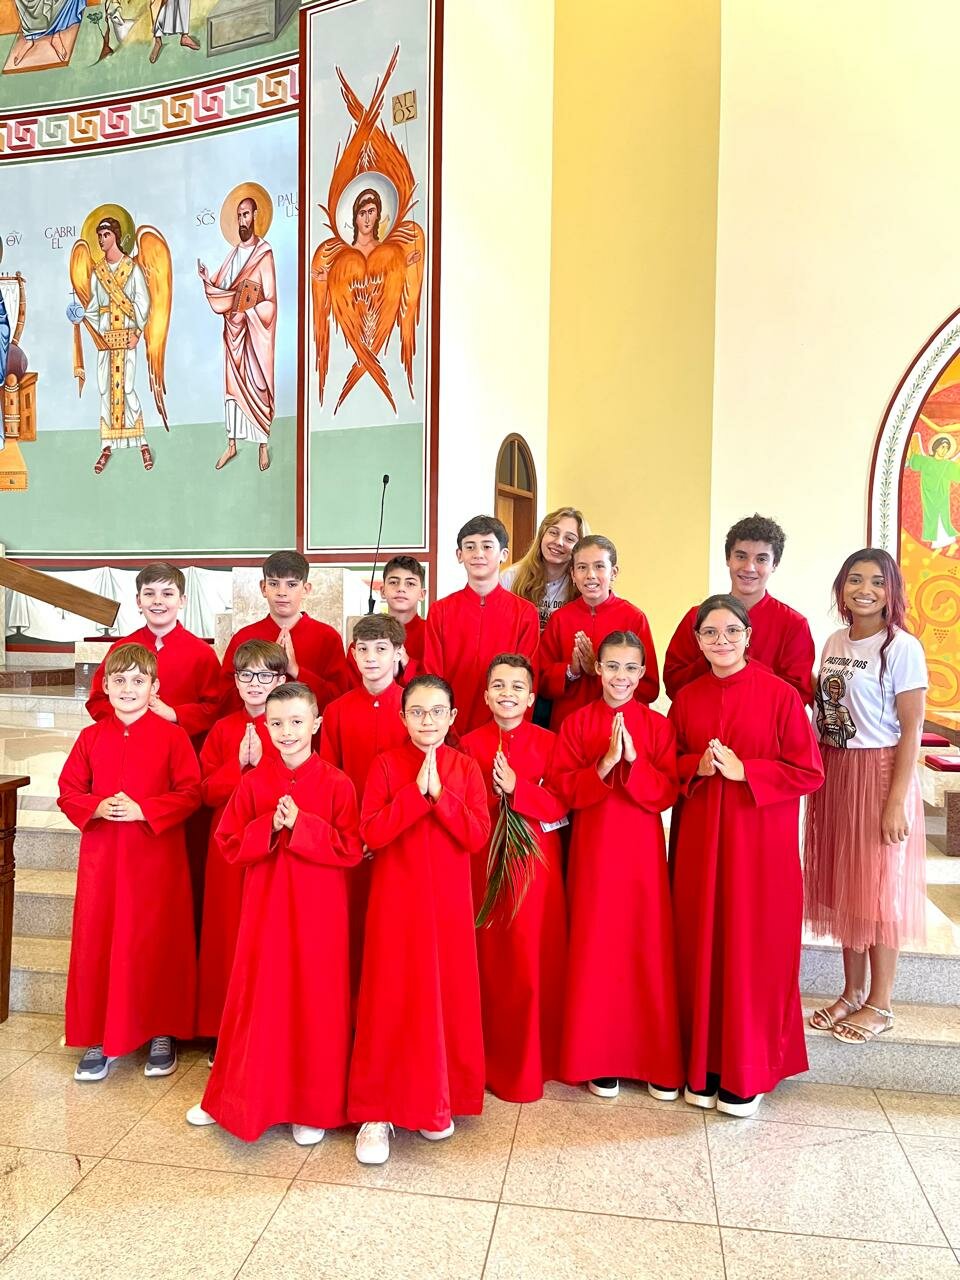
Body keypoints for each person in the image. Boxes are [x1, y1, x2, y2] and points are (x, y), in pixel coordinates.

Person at [186, 683, 361, 1144]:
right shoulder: (253, 783)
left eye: (297, 722)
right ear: (265, 726)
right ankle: (240, 1097)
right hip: (265, 910)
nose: (287, 732)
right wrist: (270, 825)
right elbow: (228, 843)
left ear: (316, 724)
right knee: (258, 999)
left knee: (314, 1002)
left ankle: (311, 1106)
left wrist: (303, 825)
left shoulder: (338, 783)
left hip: (319, 913)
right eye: (277, 723)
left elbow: (351, 848)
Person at [670, 595, 823, 1118]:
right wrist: (696, 766)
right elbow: (668, 765)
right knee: (702, 944)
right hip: (700, 845)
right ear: (698, 642)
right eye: (710, 633)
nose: (722, 641)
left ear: (748, 637)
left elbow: (809, 772)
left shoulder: (781, 696)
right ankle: (705, 1063)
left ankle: (748, 1067)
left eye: (731, 631)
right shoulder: (687, 699)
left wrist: (746, 771)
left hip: (759, 848)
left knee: (752, 949)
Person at [348, 675, 490, 1165]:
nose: (427, 720)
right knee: (391, 996)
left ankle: (438, 1098)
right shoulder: (385, 764)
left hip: (448, 903)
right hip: (396, 901)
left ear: (452, 718)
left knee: (445, 995)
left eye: (436, 712)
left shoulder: (465, 768)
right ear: (402, 716)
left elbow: (477, 835)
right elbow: (371, 832)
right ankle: (376, 1112)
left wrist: (441, 797)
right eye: (417, 712)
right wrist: (415, 796)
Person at [58, 643, 201, 1082]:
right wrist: (97, 806)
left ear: (155, 688)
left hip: (155, 860)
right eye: (119, 680)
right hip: (103, 861)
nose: (128, 688)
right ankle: (99, 1034)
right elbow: (69, 789)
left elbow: (191, 792)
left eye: (139, 681)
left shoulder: (173, 737)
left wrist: (146, 810)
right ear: (105, 685)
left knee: (156, 941)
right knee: (100, 940)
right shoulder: (90, 737)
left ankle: (162, 1031)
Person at [550, 631, 682, 1100]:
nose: (620, 677)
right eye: (611, 666)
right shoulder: (576, 723)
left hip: (642, 852)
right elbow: (563, 790)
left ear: (642, 673)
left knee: (645, 945)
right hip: (593, 849)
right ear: (597, 669)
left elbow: (666, 792)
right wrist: (604, 765)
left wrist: (634, 762)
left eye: (630, 668)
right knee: (597, 946)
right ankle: (599, 1057)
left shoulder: (658, 726)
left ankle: (653, 1057)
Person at [803, 549, 927, 1045]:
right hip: (835, 769)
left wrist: (896, 800)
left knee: (877, 892)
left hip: (878, 772)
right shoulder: (835, 640)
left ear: (891, 590)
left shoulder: (902, 648)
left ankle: (881, 1002)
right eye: (855, 580)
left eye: (877, 581)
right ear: (842, 588)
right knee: (846, 888)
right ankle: (852, 992)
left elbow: (912, 729)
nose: (865, 590)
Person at [461, 655, 568, 1103]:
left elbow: (561, 804)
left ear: (530, 698)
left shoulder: (550, 742)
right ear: (486, 696)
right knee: (487, 960)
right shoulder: (468, 743)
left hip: (535, 866)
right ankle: (482, 1060)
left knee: (528, 960)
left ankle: (529, 1064)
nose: (508, 694)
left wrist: (518, 790)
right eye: (499, 686)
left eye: (517, 687)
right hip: (483, 862)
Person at [195, 639, 285, 1055]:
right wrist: (239, 765)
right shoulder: (223, 729)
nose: (255, 683)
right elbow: (205, 791)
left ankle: (265, 1026)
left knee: (268, 933)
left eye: (265, 675)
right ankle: (221, 1030)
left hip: (272, 840)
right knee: (226, 931)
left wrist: (262, 765)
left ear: (280, 680)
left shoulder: (289, 725)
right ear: (235, 680)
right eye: (246, 674)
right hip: (227, 843)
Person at [320, 616, 410, 994]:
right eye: (363, 649)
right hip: (351, 839)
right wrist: (354, 833)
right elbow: (329, 778)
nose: (371, 658)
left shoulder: (414, 707)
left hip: (401, 837)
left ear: (399, 654)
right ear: (352, 654)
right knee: (350, 926)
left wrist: (388, 829)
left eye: (381, 649)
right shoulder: (337, 711)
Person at [663, 514, 815, 704]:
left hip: (765, 721)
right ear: (728, 558)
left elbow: (797, 695)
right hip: (704, 714)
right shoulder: (697, 617)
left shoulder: (794, 624)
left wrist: (742, 665)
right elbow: (673, 683)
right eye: (741, 556)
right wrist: (715, 656)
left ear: (774, 564)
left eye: (761, 559)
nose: (749, 567)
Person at [424, 516, 539, 736]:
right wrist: (442, 727)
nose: (478, 554)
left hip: (504, 729)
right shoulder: (440, 610)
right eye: (470, 547)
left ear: (503, 554)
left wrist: (514, 731)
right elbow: (432, 674)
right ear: (459, 555)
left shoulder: (524, 613)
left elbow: (527, 680)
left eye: (487, 546)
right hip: (449, 728)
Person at [85, 562, 221, 748]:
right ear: (138, 600)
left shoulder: (202, 653)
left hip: (183, 750)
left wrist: (174, 713)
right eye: (149, 594)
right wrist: (131, 718)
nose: (158, 601)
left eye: (167, 594)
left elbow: (216, 708)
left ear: (182, 600)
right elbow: (97, 701)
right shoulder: (120, 649)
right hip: (128, 746)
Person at [537, 535, 658, 731]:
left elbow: (650, 688)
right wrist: (572, 671)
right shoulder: (560, 619)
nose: (590, 575)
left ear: (613, 572)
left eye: (599, 566)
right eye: (582, 567)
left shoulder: (634, 618)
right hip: (568, 727)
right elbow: (541, 680)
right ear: (572, 574)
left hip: (620, 727)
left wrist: (601, 670)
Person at [218, 550, 350, 716]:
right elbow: (223, 701)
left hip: (311, 731)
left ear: (306, 589)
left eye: (291, 585)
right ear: (263, 587)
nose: (282, 592)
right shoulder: (244, 638)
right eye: (274, 584)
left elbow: (339, 700)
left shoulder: (328, 637)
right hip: (254, 729)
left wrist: (295, 670)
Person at [199, 196, 277, 474]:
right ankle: (231, 444)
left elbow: (270, 301)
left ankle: (262, 444)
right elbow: (222, 287)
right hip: (233, 332)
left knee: (257, 384)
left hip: (254, 333)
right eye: (239, 216)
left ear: (255, 216)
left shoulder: (264, 254)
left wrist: (251, 309)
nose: (242, 220)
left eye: (246, 215)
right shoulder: (233, 255)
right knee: (232, 389)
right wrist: (207, 280)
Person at [75, 218, 152, 475]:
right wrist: (80, 315)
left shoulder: (132, 268)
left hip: (127, 338)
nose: (101, 240)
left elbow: (143, 302)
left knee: (127, 388)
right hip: (107, 341)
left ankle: (141, 441)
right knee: (105, 389)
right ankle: (106, 445)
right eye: (99, 235)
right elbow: (94, 307)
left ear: (116, 236)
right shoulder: (98, 272)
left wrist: (138, 333)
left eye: (106, 234)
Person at [501, 507, 587, 631]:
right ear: (542, 535)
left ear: (580, 547)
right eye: (553, 533)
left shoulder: (583, 585)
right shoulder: (509, 578)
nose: (559, 542)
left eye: (569, 539)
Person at [347, 555, 427, 687]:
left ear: (422, 594)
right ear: (383, 591)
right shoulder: (364, 638)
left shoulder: (432, 635)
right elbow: (351, 688)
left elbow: (437, 685)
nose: (401, 588)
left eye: (410, 583)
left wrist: (408, 664)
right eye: (394, 582)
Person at [908, 433, 960, 547]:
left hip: (942, 497)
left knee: (943, 518)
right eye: (942, 447)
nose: (944, 450)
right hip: (928, 497)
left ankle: (946, 540)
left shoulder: (948, 465)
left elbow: (958, 475)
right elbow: (912, 461)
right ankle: (934, 540)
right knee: (931, 517)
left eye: (947, 448)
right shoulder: (925, 461)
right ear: (936, 447)